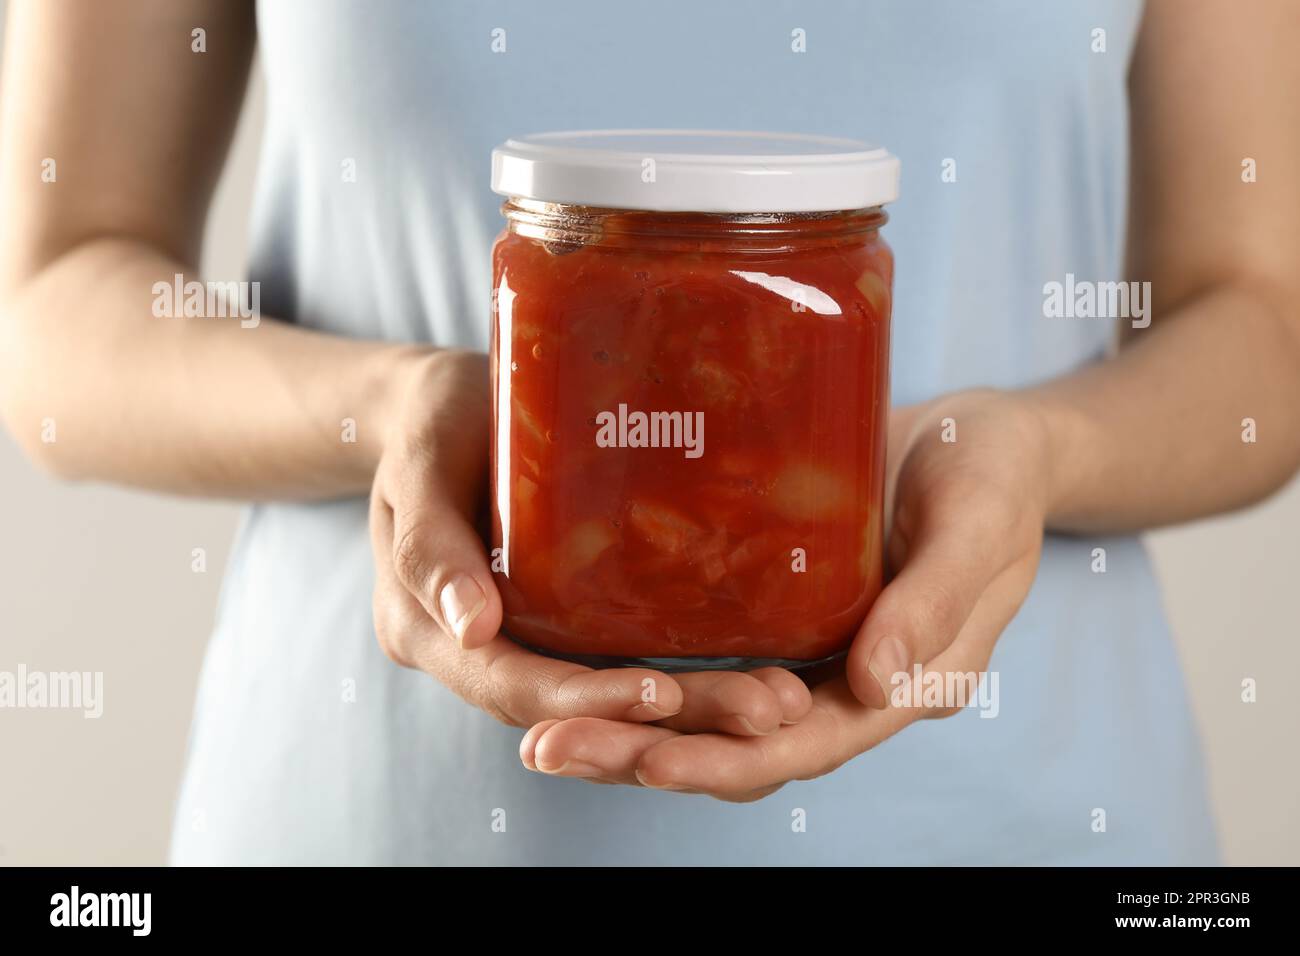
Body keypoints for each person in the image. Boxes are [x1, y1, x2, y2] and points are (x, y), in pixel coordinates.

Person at [2, 0, 1297, 865]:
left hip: (1022, 824)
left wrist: (1041, 451)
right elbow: (54, 305)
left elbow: (1263, 321)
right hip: (371, 820)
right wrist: (390, 402)